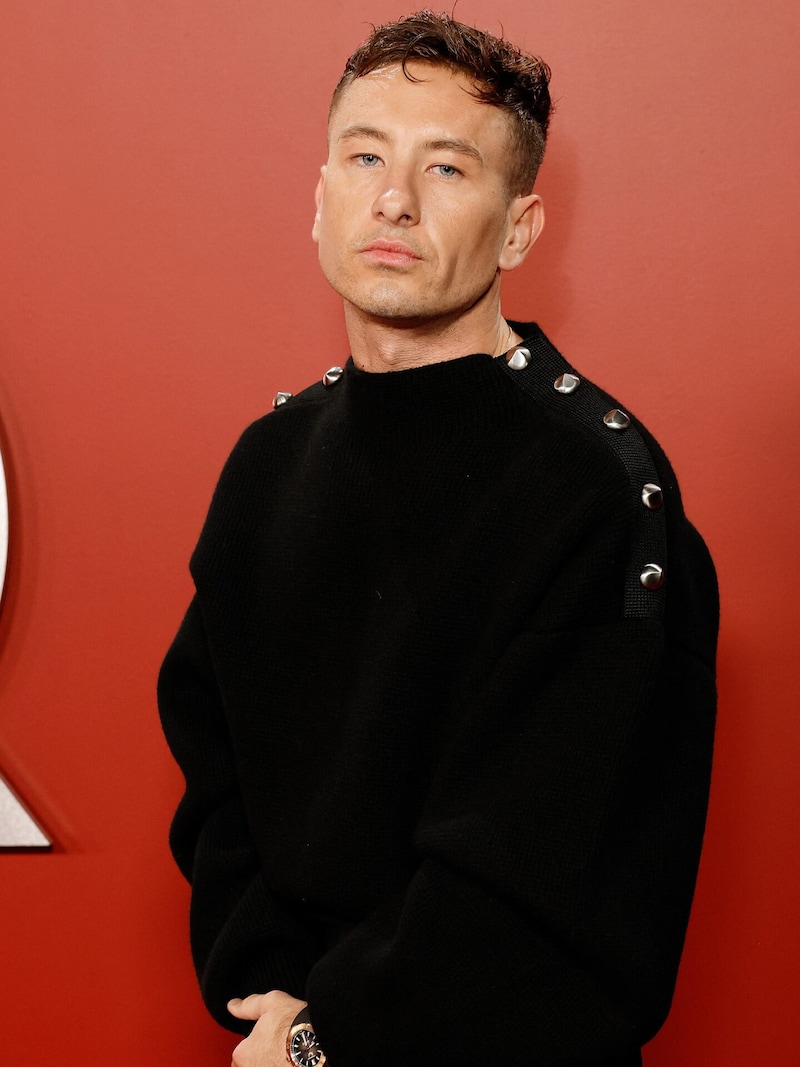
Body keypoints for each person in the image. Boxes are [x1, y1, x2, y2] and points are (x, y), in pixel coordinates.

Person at [158, 12, 718, 1067]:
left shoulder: (599, 491)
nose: (393, 199)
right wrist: (274, 993)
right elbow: (216, 773)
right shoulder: (267, 463)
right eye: (363, 155)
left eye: (446, 168)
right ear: (317, 196)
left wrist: (327, 1033)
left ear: (516, 229)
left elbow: (548, 867)